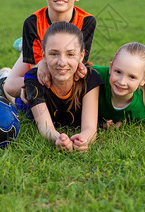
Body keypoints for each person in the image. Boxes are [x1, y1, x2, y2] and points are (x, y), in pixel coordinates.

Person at [0, 0, 96, 103]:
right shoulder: (32, 23)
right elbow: (39, 70)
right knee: (11, 86)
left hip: (64, 62)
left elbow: (80, 61)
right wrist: (28, 85)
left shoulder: (87, 21)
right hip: (40, 58)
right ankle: (2, 80)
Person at [23, 22, 103, 152]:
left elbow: (90, 128)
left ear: (81, 55)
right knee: (10, 94)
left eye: (70, 54)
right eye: (54, 54)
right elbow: (45, 127)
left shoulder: (90, 78)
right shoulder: (34, 79)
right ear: (43, 56)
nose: (62, 62)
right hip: (25, 103)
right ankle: (3, 79)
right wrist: (58, 138)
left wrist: (83, 140)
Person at [91, 42, 145, 128]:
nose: (122, 82)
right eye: (118, 72)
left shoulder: (139, 112)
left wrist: (120, 123)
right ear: (111, 67)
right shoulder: (96, 74)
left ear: (143, 80)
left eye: (132, 77)